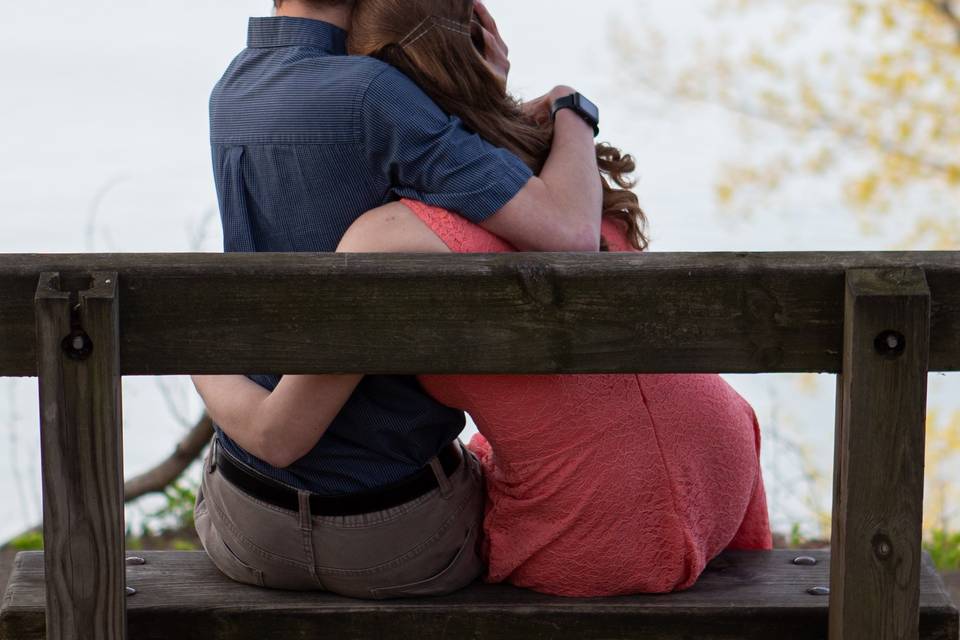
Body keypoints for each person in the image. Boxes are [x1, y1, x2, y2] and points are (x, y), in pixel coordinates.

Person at [196, 0, 773, 598]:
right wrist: (565, 105)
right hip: (712, 469)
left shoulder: (234, 92)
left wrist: (196, 341)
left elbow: (277, 436)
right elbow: (566, 231)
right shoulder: (398, 124)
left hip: (267, 524)